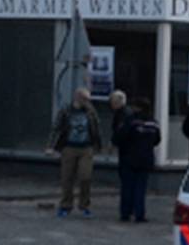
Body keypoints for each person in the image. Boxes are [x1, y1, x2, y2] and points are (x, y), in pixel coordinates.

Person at [47, 87, 103, 218]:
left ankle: (84, 205)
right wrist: (51, 146)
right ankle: (66, 205)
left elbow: (96, 127)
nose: (88, 102)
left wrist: (98, 145)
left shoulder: (90, 111)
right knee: (67, 177)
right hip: (69, 147)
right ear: (78, 98)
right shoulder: (66, 110)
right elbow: (56, 128)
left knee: (85, 177)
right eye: (85, 99)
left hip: (86, 147)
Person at [114, 97, 161, 222]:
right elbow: (157, 140)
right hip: (145, 159)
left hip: (129, 158)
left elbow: (119, 137)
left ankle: (126, 213)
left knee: (127, 187)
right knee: (140, 187)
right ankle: (139, 214)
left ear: (137, 107)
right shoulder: (153, 123)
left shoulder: (131, 121)